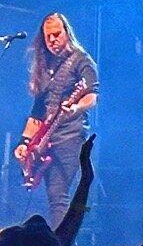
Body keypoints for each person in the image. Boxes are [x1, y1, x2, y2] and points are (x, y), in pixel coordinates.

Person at [18, 11, 100, 226]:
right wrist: (25, 143)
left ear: (67, 33)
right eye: (48, 37)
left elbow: (92, 95)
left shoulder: (82, 60)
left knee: (59, 196)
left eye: (57, 34)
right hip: (46, 139)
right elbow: (37, 111)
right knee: (55, 199)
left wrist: (75, 108)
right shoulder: (44, 67)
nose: (53, 40)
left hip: (71, 135)